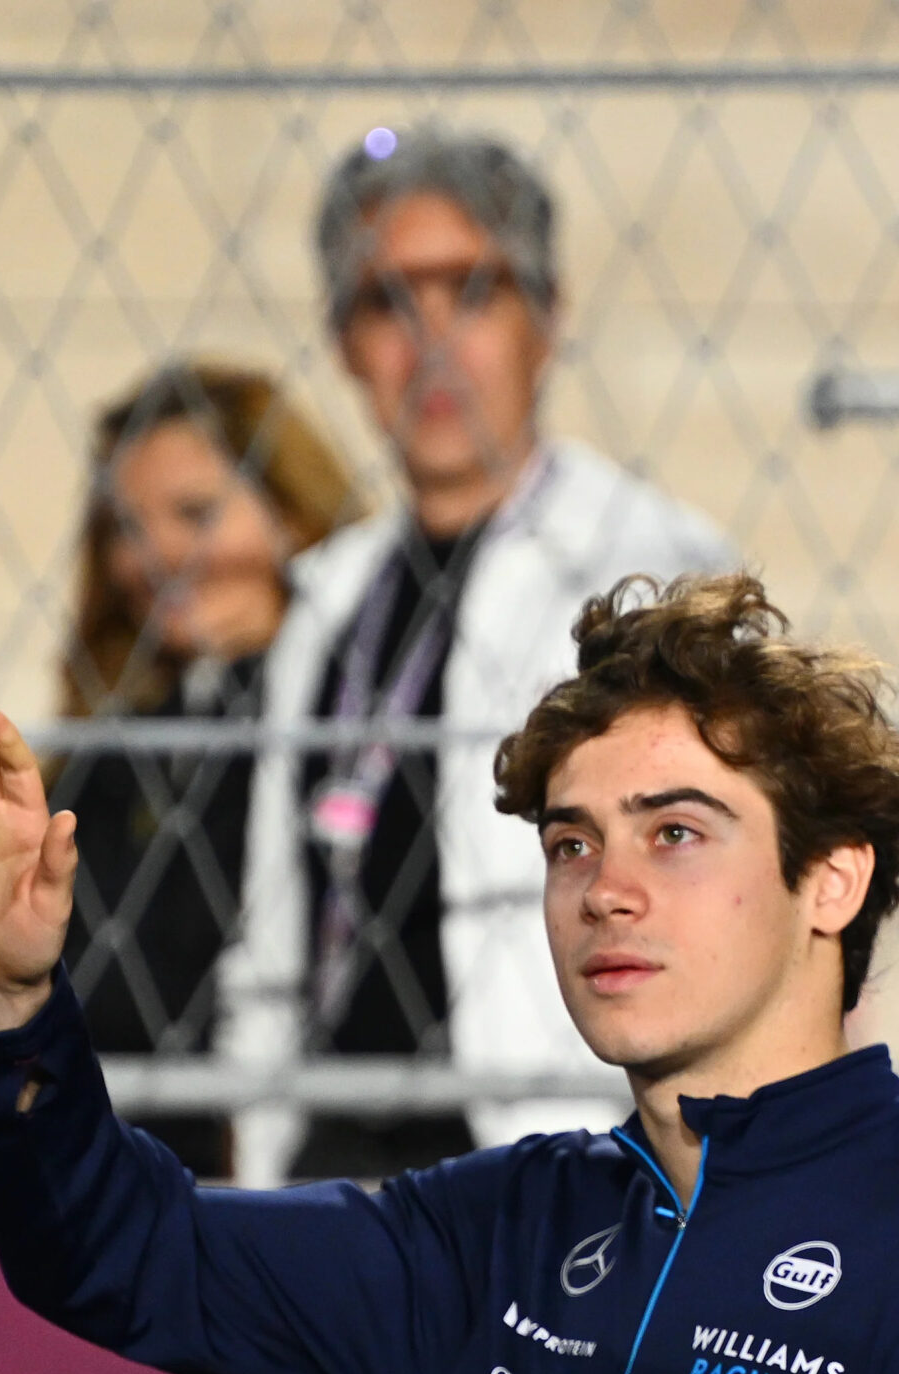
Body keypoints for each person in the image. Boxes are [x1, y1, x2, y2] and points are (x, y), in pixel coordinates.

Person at [0, 573, 899, 1374]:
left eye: (676, 833)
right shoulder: (506, 1233)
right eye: (571, 843)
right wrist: (4, 1001)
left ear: (832, 882)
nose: (607, 890)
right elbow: (119, 1255)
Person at [220, 128, 736, 1183]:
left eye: (471, 291)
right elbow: (276, 925)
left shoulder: (652, 568)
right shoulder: (328, 601)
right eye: (387, 303)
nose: (431, 342)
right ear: (343, 343)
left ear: (546, 319)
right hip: (334, 1161)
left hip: (557, 1160)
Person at [52, 361, 363, 1177]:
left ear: (293, 518)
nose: (153, 554)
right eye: (126, 526)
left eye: (195, 513)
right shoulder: (111, 745)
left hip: (260, 1157)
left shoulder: (349, 734)